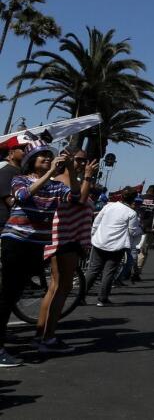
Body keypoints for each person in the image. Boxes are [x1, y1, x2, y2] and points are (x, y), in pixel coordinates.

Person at [0, 146, 74, 366]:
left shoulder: (56, 186)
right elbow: (22, 196)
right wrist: (50, 173)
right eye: (43, 157)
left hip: (36, 244)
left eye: (51, 158)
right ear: (31, 160)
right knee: (6, 294)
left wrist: (70, 169)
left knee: (14, 294)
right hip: (16, 240)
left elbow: (76, 196)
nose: (48, 159)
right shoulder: (20, 179)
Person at [36, 148, 99, 352]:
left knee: (55, 287)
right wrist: (87, 178)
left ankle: (42, 335)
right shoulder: (65, 179)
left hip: (64, 239)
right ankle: (48, 338)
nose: (82, 163)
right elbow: (79, 200)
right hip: (65, 239)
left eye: (84, 160)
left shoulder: (66, 179)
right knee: (62, 288)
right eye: (78, 160)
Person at [85, 186, 143, 306]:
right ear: (133, 199)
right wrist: (141, 230)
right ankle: (102, 299)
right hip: (117, 246)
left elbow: (96, 222)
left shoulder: (109, 206)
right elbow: (133, 232)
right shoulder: (131, 213)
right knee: (109, 272)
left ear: (121, 195)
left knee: (93, 270)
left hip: (99, 241)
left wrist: (93, 236)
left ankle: (80, 296)